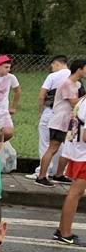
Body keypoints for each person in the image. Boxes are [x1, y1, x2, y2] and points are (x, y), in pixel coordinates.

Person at [36, 57, 86, 188]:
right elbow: (74, 102)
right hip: (60, 121)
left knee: (68, 148)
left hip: (70, 122)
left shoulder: (76, 84)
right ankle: (41, 176)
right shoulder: (66, 83)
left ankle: (59, 174)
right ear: (79, 69)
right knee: (53, 147)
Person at [53, 95, 86, 245]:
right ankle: (65, 233)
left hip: (75, 150)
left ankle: (62, 230)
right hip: (83, 154)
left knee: (75, 193)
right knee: (75, 193)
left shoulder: (83, 99)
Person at [32, 56, 70, 182]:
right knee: (59, 144)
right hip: (66, 115)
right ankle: (58, 172)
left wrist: (40, 111)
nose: (52, 68)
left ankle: (42, 172)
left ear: (57, 64)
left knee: (45, 143)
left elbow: (42, 95)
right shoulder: (73, 76)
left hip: (50, 112)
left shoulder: (53, 76)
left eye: (52, 66)